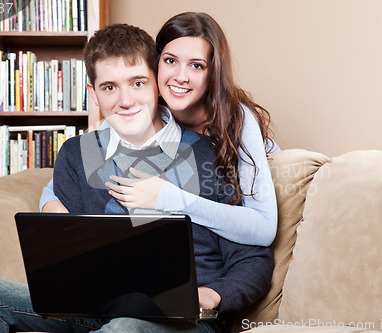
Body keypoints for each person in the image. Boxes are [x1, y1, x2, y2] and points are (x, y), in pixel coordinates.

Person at [0, 23, 273, 333]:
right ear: (93, 93)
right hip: (96, 309)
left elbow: (253, 261)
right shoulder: (77, 154)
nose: (126, 101)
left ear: (155, 83)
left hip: (184, 319)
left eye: (137, 83)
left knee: (124, 328)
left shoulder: (210, 154)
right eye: (109, 87)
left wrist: (211, 295)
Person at [40, 12, 280, 247]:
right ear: (154, 68)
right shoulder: (146, 104)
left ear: (212, 73)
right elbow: (89, 154)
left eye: (196, 66)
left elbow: (264, 227)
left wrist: (169, 198)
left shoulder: (237, 119)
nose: (180, 77)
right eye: (170, 61)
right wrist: (48, 201)